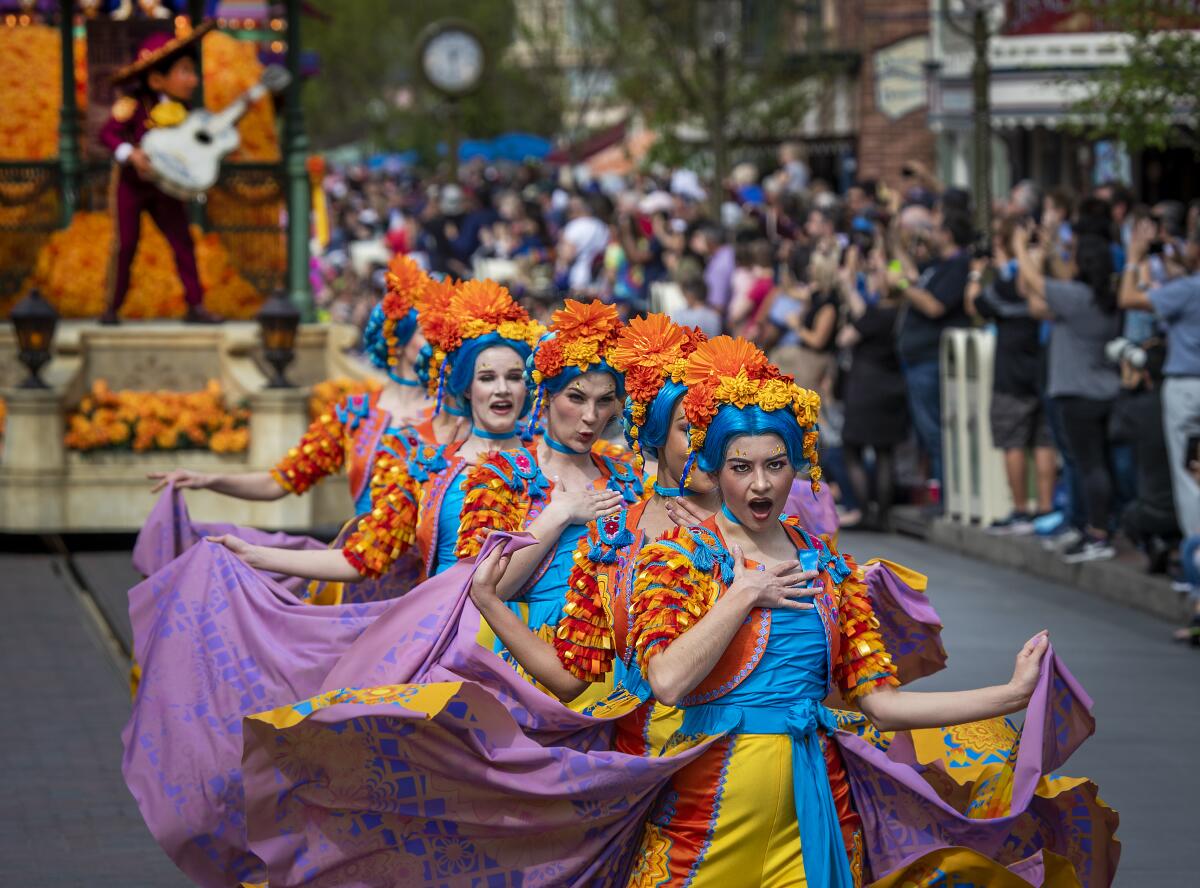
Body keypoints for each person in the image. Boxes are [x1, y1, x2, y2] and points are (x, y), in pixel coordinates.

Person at [134, 258, 463, 606]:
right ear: (398, 335)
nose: (434, 341)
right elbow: (280, 482)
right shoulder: (356, 414)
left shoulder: (450, 418)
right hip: (357, 570)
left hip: (421, 578)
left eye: (439, 331)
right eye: (425, 331)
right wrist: (208, 479)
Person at [212, 278, 550, 583]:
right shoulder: (424, 465)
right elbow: (359, 559)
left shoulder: (552, 461)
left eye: (516, 377)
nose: (502, 389)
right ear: (465, 387)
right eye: (487, 377)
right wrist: (255, 554)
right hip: (430, 623)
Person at [454, 299, 644, 652]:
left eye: (604, 401)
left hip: (615, 665)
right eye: (576, 397)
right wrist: (557, 515)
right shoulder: (501, 474)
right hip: (524, 662)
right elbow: (487, 589)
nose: (590, 416)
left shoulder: (629, 479)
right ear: (546, 394)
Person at [99, 23, 221, 324]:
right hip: (132, 185)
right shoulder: (132, 106)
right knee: (126, 244)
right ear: (156, 79)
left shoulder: (187, 110)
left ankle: (196, 305)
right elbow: (108, 134)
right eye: (184, 71)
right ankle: (111, 308)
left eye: (192, 71)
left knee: (182, 242)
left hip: (167, 188)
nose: (193, 80)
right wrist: (131, 153)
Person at [1016, 221, 1122, 563]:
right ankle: (1090, 525)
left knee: (1089, 465)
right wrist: (1047, 252)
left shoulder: (1077, 298)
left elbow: (1035, 283)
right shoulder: (1102, 299)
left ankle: (1098, 533)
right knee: (1095, 464)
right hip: (1103, 391)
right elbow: (1036, 299)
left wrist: (1020, 247)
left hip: (1078, 394)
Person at [967, 216, 1057, 533]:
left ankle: (1020, 511)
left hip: (1011, 376)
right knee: (1045, 441)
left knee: (1014, 443)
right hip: (1046, 372)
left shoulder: (1005, 287)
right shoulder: (1050, 280)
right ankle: (1045, 510)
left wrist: (977, 272)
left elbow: (975, 304)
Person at [1119, 212, 1200, 545]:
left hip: (1187, 386)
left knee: (1190, 476)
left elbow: (1128, 299)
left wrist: (1133, 260)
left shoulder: (1188, 289)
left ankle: (1196, 556)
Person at [894, 210, 973, 501]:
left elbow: (933, 305)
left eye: (936, 228)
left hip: (931, 361)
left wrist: (901, 285)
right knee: (927, 431)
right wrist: (895, 249)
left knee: (936, 430)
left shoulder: (958, 266)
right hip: (916, 361)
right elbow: (907, 273)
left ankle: (948, 496)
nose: (930, 233)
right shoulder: (936, 265)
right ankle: (939, 491)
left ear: (948, 234)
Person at [839, 244, 909, 531]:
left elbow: (845, 337)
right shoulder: (900, 314)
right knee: (884, 452)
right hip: (891, 385)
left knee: (852, 448)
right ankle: (883, 515)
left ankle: (865, 508)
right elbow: (859, 305)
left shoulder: (875, 315)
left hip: (866, 387)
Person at [1109, 339, 1180, 572]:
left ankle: (1157, 545)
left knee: (1130, 514)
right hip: (1186, 508)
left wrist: (1126, 386)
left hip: (1151, 512)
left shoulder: (1140, 407)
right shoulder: (1184, 407)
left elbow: (1115, 433)